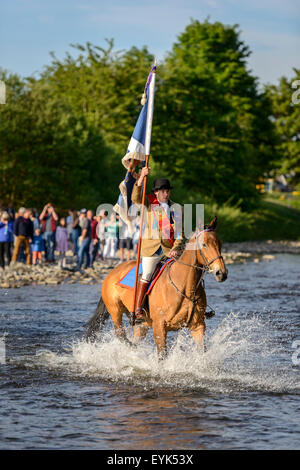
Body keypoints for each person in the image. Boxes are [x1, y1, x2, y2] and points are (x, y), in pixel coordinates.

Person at [131, 168, 185, 323]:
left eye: (167, 191)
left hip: (170, 250)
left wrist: (175, 249)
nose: (165, 194)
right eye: (162, 191)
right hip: (151, 250)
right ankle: (138, 309)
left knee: (190, 268)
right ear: (155, 193)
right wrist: (141, 177)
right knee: (147, 274)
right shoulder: (149, 203)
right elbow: (135, 197)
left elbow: (180, 234)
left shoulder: (177, 208)